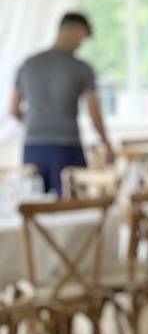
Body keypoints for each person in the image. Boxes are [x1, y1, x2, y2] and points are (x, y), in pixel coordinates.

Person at [9, 12, 114, 196]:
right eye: (83, 39)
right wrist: (107, 145)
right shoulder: (81, 68)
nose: (81, 44)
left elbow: (13, 110)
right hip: (67, 148)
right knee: (74, 208)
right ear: (78, 32)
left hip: (33, 148)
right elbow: (94, 116)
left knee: (35, 208)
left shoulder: (28, 64)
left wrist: (36, 122)